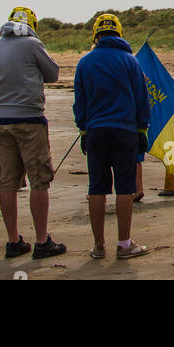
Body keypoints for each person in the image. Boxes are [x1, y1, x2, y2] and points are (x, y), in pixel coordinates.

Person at [0, 6, 65, 259]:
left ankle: (13, 241)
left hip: (1, 118)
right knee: (39, 180)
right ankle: (42, 241)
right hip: (29, 118)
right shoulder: (33, 44)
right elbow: (53, 74)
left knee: (7, 183)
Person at [73, 14, 150, 260]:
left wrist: (83, 128)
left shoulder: (85, 62)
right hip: (124, 130)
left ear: (96, 35)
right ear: (119, 33)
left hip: (96, 130)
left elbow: (80, 101)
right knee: (124, 189)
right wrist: (142, 129)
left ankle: (98, 246)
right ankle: (124, 244)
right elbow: (142, 98)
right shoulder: (130, 61)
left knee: (97, 188)